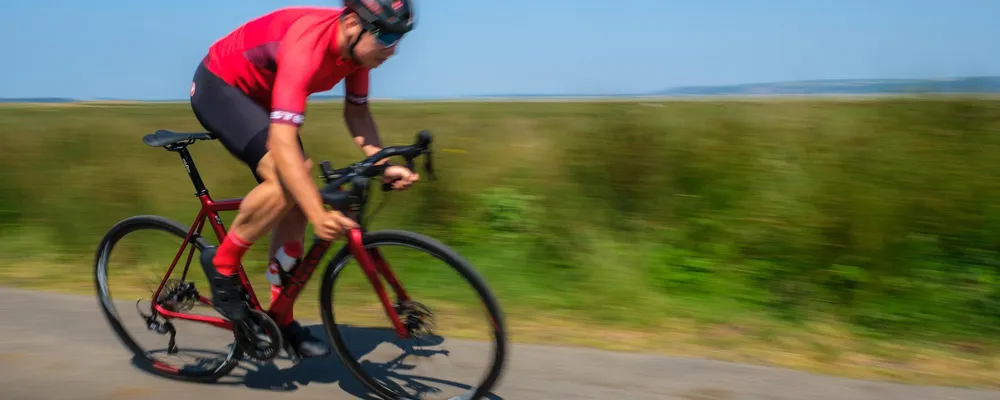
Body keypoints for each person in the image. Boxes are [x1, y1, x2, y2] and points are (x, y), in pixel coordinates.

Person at [187, 0, 418, 358]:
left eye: (399, 38)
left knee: (298, 188)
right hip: (223, 86)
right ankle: (221, 263)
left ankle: (280, 318)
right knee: (288, 182)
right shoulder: (307, 47)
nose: (393, 49)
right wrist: (318, 214)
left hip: (266, 97)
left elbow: (357, 114)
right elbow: (281, 144)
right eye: (386, 36)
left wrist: (383, 163)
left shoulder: (357, 54)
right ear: (354, 23)